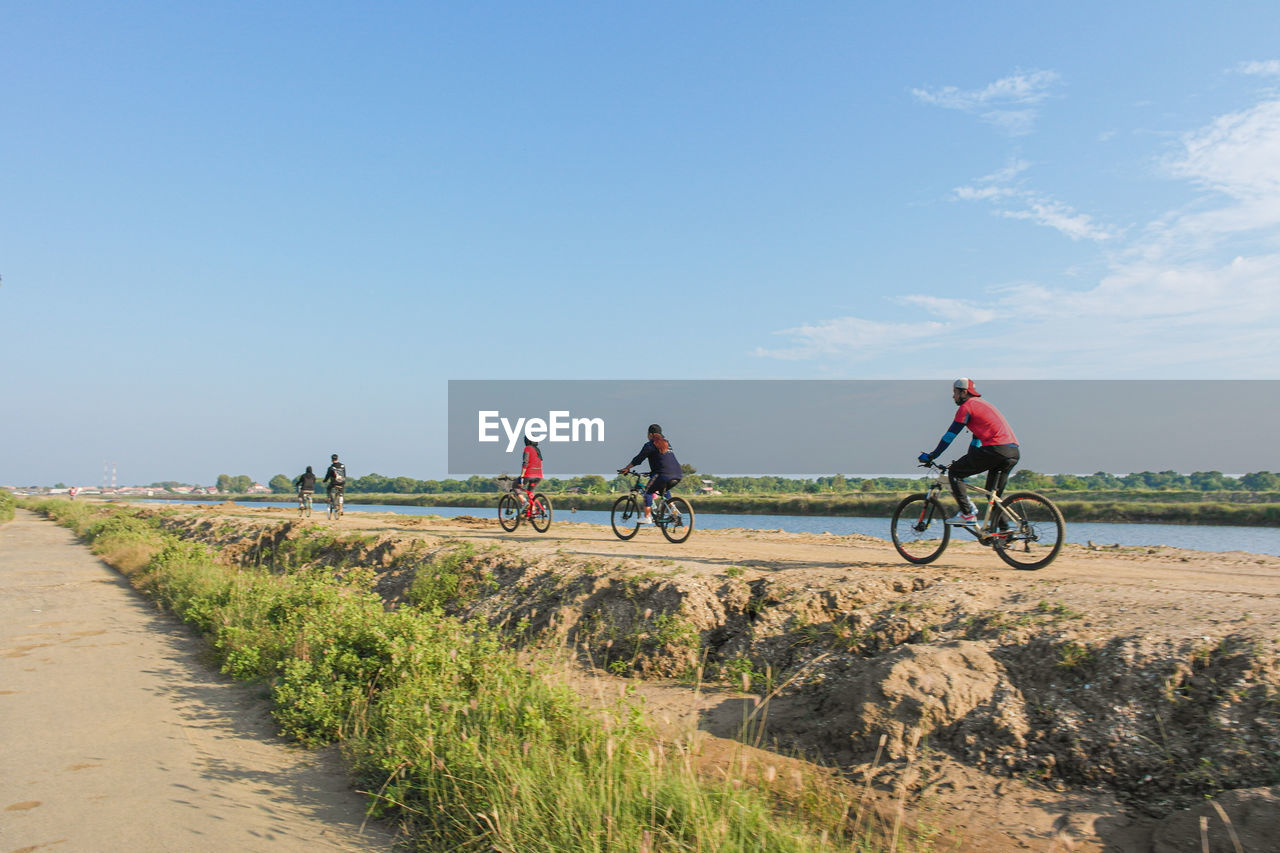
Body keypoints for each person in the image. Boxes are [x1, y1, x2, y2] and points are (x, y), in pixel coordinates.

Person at [918, 378, 1019, 524]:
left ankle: (967, 514)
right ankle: (1005, 532)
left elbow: (950, 435)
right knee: (993, 495)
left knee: (954, 473)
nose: (953, 396)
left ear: (964, 392)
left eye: (955, 392)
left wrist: (933, 455)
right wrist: (968, 458)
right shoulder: (983, 406)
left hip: (995, 449)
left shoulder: (967, 407)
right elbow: (976, 440)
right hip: (1012, 452)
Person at [619, 423, 682, 524]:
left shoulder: (650, 445)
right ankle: (673, 510)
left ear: (651, 435)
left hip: (663, 474)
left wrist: (627, 468)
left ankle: (647, 517)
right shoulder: (667, 443)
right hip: (678, 474)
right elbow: (663, 460)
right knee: (663, 490)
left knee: (647, 492)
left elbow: (638, 459)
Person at [518, 436, 542, 509]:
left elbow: (525, 462)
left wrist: (522, 475)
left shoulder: (527, 448)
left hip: (529, 474)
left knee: (515, 486)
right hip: (539, 475)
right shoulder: (538, 450)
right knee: (530, 493)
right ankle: (533, 510)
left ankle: (524, 502)